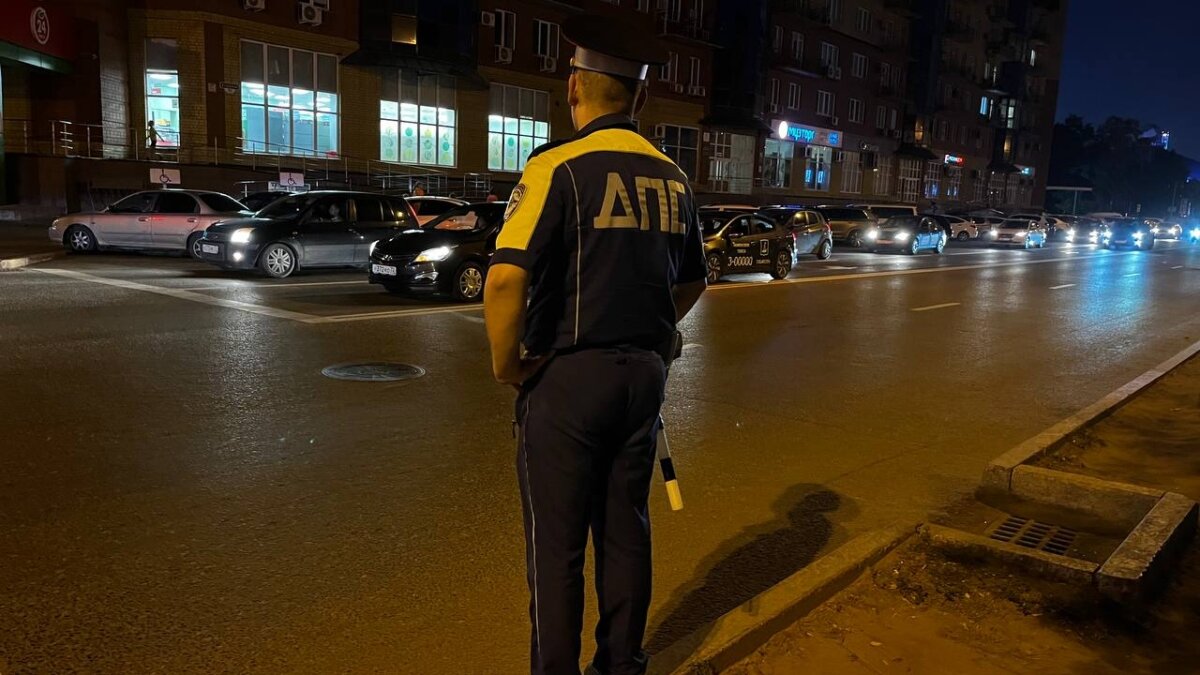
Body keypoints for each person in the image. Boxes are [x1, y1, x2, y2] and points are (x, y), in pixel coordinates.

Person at [484, 14, 707, 675]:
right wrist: (652, 333)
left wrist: (510, 367)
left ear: (574, 87)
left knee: (556, 548)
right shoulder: (673, 177)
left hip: (568, 381)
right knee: (625, 530)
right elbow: (693, 281)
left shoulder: (557, 166)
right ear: (641, 97)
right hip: (643, 379)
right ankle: (621, 664)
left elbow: (504, 279)